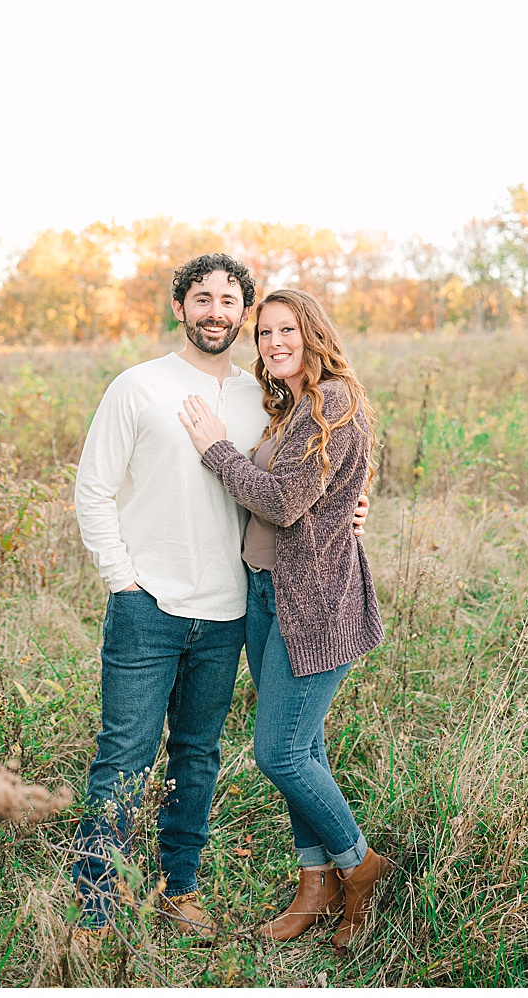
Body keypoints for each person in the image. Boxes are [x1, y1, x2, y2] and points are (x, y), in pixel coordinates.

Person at [71, 256, 367, 942]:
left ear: (244, 314)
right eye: (200, 297)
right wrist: (122, 577)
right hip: (149, 605)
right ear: (180, 307)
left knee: (198, 756)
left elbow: (305, 477)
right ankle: (96, 906)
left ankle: (180, 889)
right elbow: (94, 488)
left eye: (228, 301)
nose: (214, 310)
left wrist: (350, 512)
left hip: (233, 609)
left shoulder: (262, 396)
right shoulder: (138, 387)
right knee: (124, 756)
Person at [178, 287, 390, 948]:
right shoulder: (294, 404)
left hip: (316, 604)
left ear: (311, 332)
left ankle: (361, 868)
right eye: (264, 333)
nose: (273, 343)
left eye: (286, 330)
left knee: (279, 752)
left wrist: (216, 449)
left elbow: (285, 500)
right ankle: (316, 883)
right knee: (308, 746)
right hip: (266, 595)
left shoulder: (332, 400)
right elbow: (330, 481)